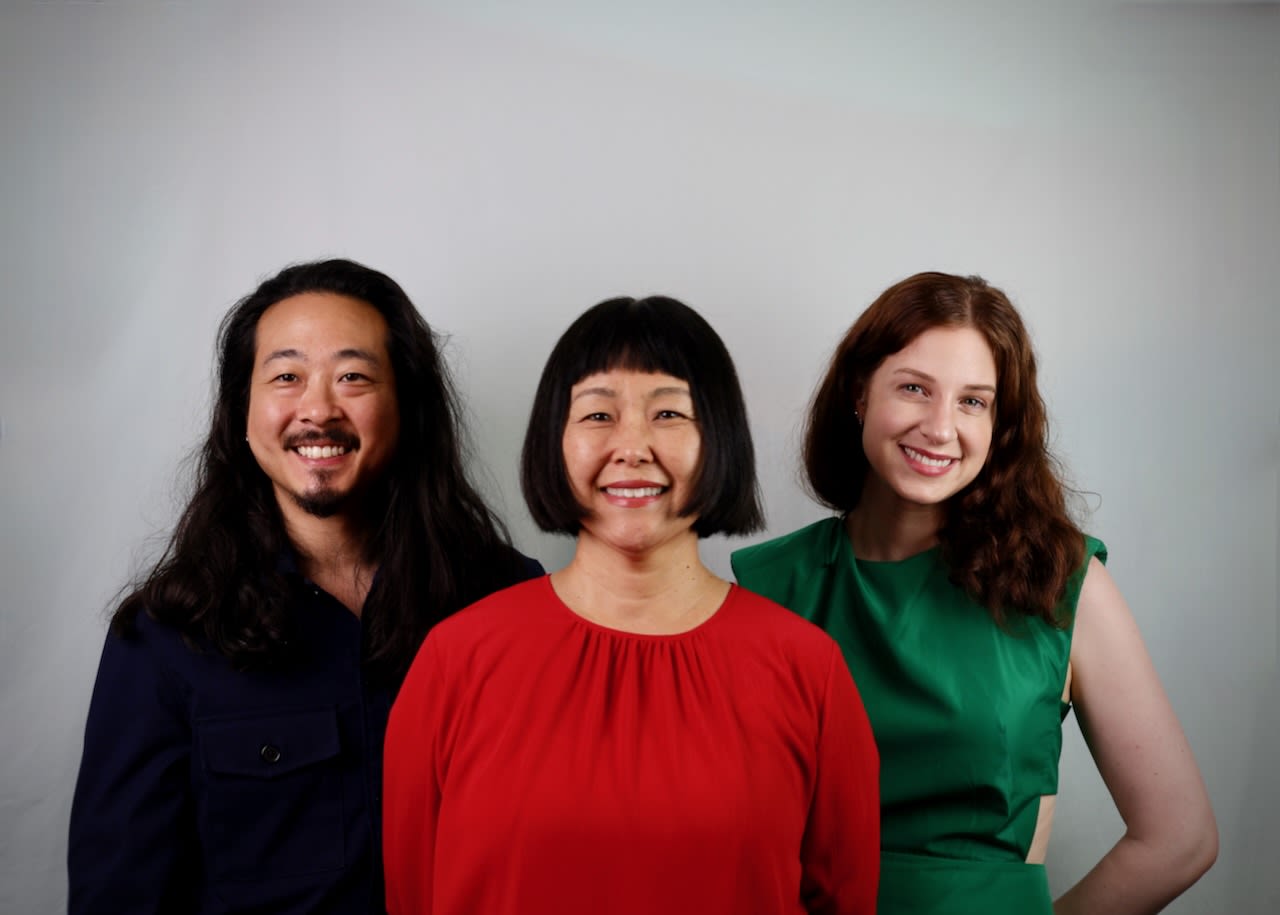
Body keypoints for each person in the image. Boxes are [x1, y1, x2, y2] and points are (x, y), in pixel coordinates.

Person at [732, 272, 1218, 914]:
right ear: (859, 392)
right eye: (913, 388)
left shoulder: (1063, 582)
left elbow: (1179, 840)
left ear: (999, 423)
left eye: (973, 402)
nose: (940, 427)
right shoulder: (770, 587)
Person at [68, 259, 543, 914]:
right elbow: (119, 895)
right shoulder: (164, 636)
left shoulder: (509, 601)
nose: (318, 409)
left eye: (353, 376)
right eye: (286, 376)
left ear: (408, 407)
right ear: (242, 410)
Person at [383, 296, 881, 915]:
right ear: (552, 441)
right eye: (597, 415)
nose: (633, 446)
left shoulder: (809, 669)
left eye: (669, 412)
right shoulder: (455, 660)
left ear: (720, 438)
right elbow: (410, 894)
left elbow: (844, 898)